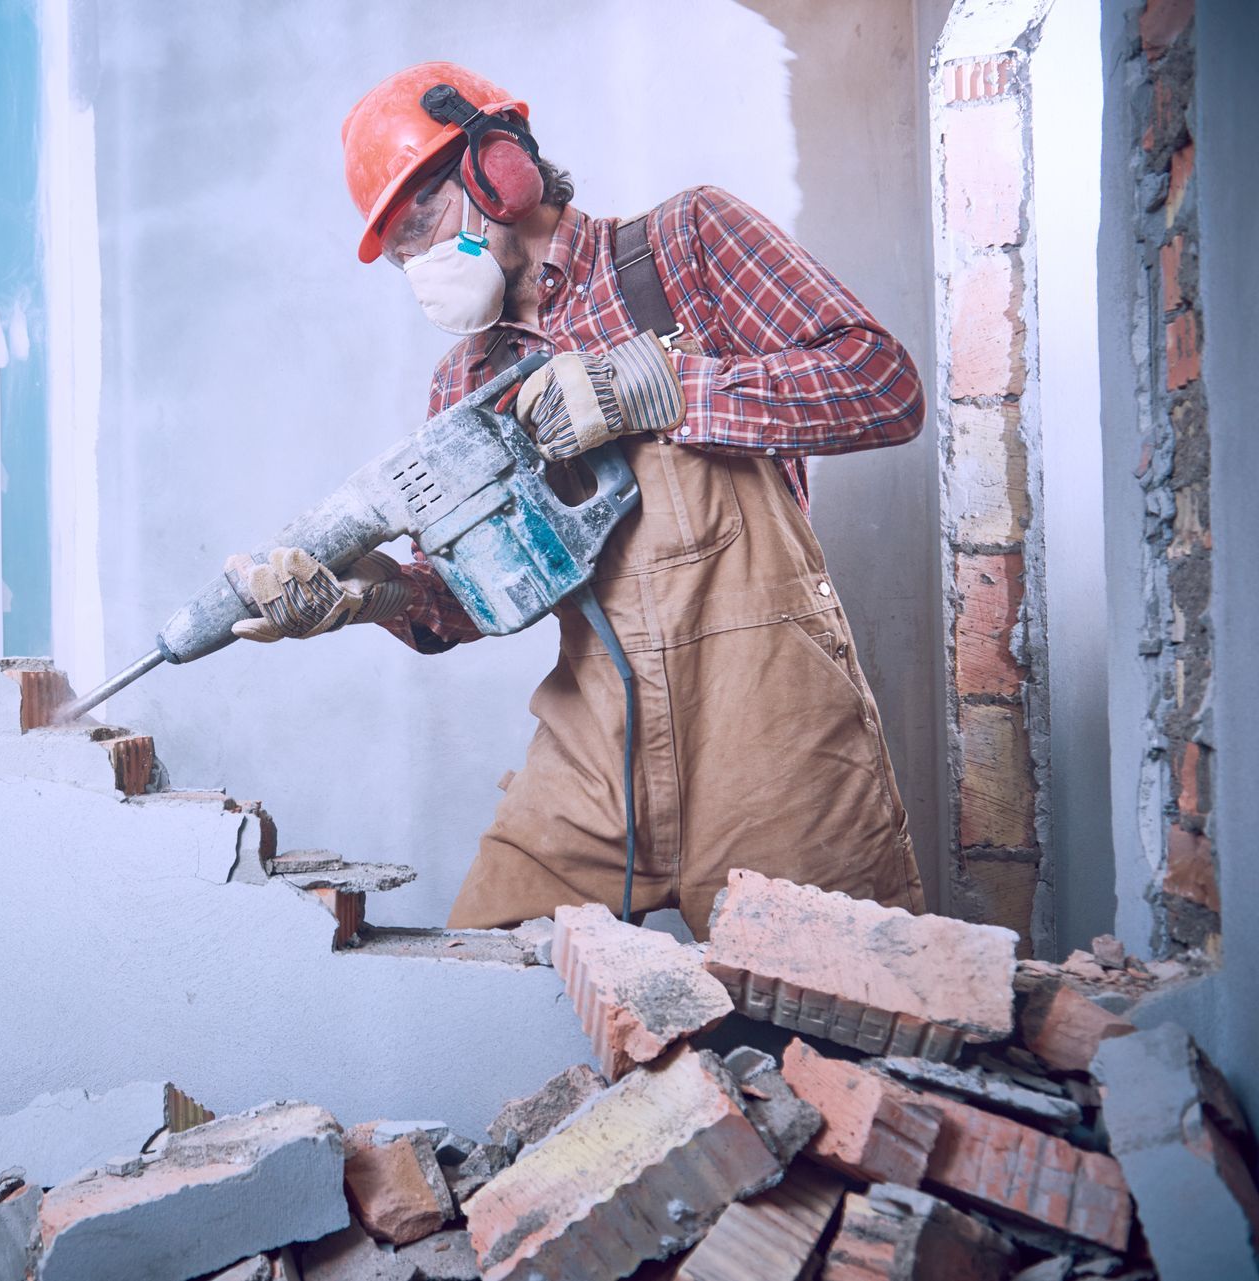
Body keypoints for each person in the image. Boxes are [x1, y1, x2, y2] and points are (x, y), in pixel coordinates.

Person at [227, 61, 927, 938]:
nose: (417, 264)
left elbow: (883, 384)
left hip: (772, 739)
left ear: (500, 167)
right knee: (474, 990)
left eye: (423, 221)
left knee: (839, 1030)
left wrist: (665, 388)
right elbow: (483, 599)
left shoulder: (682, 246)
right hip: (596, 753)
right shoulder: (465, 386)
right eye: (398, 250)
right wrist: (375, 595)